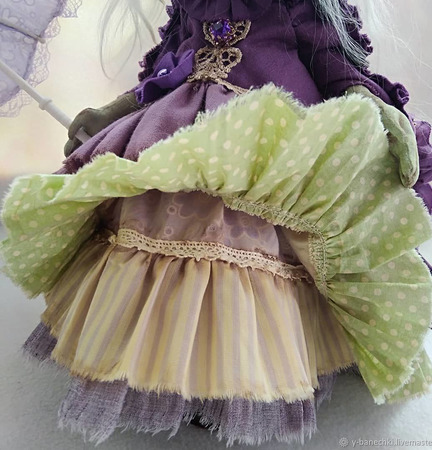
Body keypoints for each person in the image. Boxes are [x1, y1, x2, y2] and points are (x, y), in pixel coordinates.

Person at [1, 0, 432, 445]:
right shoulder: (193, 5)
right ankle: (168, 358)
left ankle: (242, 369)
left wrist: (377, 107)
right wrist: (114, 110)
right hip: (181, 128)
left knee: (255, 244)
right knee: (159, 221)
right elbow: (167, 66)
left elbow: (333, 64)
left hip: (268, 139)